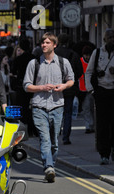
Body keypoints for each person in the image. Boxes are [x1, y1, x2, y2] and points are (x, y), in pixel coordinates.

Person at [23, 32, 75, 183]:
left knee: (54, 143)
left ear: (54, 45)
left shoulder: (63, 62)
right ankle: (49, 168)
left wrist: (63, 86)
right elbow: (26, 86)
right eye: (42, 43)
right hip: (39, 106)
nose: (44, 45)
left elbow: (71, 80)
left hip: (57, 106)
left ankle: (50, 163)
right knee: (44, 139)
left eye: (47, 43)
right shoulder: (34, 64)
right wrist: (41, 87)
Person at [85, 29, 114, 165]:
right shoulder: (97, 53)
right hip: (101, 92)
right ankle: (104, 154)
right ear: (104, 39)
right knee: (102, 124)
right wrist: (91, 90)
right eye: (110, 37)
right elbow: (89, 72)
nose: (112, 39)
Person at [55, 33, 83, 145]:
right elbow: (80, 71)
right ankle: (66, 137)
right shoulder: (73, 54)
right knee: (67, 113)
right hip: (69, 87)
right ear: (68, 42)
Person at [11, 38, 36, 136]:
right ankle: (32, 129)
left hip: (22, 87)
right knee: (33, 108)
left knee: (23, 108)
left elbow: (13, 72)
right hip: (34, 86)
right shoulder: (34, 58)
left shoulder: (18, 59)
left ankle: (24, 129)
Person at [79, 46, 95, 134]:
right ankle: (89, 126)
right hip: (83, 89)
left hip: (92, 88)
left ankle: (92, 125)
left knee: (92, 108)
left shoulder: (93, 61)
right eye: (86, 55)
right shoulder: (80, 61)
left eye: (88, 55)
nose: (87, 57)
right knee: (86, 108)